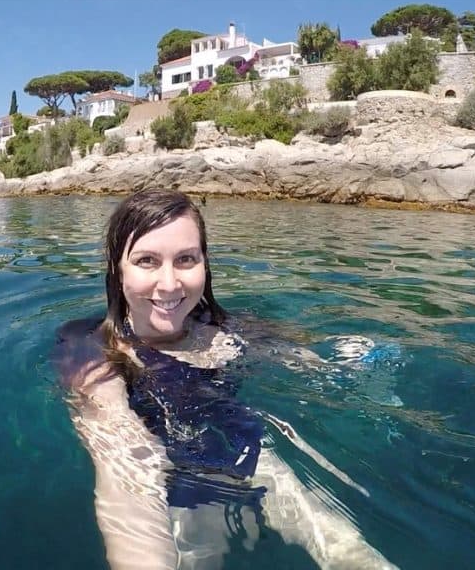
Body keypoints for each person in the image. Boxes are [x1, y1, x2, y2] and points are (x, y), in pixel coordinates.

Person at [54, 189, 395, 570]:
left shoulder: (225, 330)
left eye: (185, 259)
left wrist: (352, 363)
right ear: (117, 270)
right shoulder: (90, 351)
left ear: (205, 264)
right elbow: (125, 467)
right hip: (176, 488)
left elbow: (315, 362)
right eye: (147, 261)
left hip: (257, 457)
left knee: (354, 555)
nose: (169, 284)